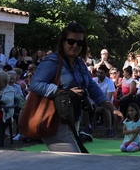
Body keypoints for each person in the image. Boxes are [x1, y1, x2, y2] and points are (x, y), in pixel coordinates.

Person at [29, 23, 109, 153]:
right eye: (71, 41)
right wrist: (62, 92)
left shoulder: (80, 64)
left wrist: (112, 108)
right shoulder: (52, 61)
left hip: (72, 119)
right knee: (74, 161)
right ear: (63, 42)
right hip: (53, 121)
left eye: (80, 43)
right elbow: (35, 84)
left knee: (69, 163)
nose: (75, 45)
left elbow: (92, 86)